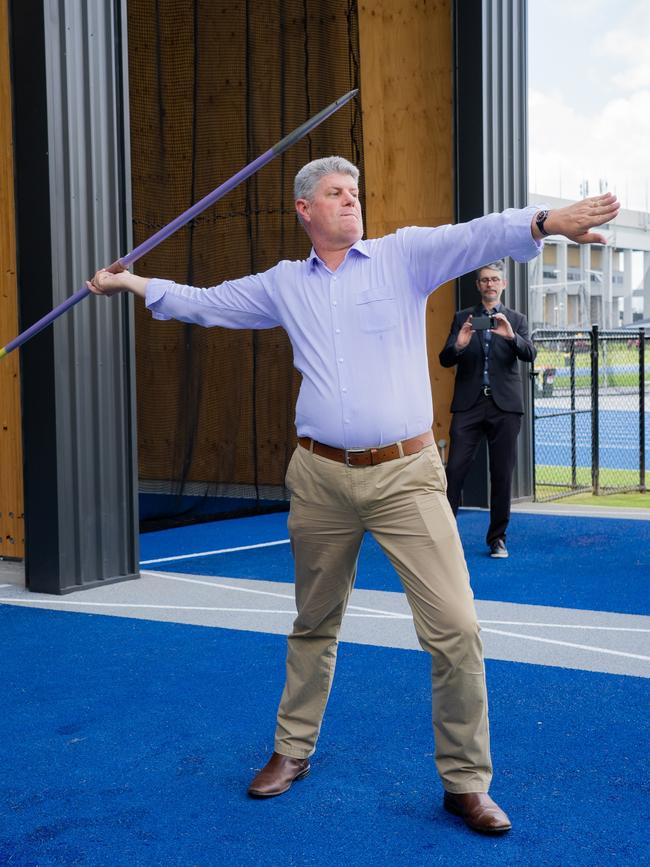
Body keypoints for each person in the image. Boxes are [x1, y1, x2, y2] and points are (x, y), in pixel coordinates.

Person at [88, 156, 619, 835]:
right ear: (305, 210)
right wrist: (131, 281)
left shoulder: (403, 257)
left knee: (457, 628)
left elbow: (479, 233)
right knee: (313, 622)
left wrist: (546, 221)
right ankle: (292, 749)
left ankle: (465, 782)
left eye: (355, 192)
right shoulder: (284, 285)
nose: (351, 201)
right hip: (319, 479)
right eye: (336, 194)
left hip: (407, 476)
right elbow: (206, 302)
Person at [439, 259, 535, 559]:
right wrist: (461, 343)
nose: (490, 284)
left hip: (504, 407)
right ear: (478, 285)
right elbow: (445, 359)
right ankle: (445, 538)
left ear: (503, 284)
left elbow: (530, 353)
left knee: (502, 474)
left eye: (495, 279)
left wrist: (511, 336)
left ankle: (497, 539)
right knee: (454, 470)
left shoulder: (516, 320)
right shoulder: (463, 317)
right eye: (484, 280)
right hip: (469, 405)